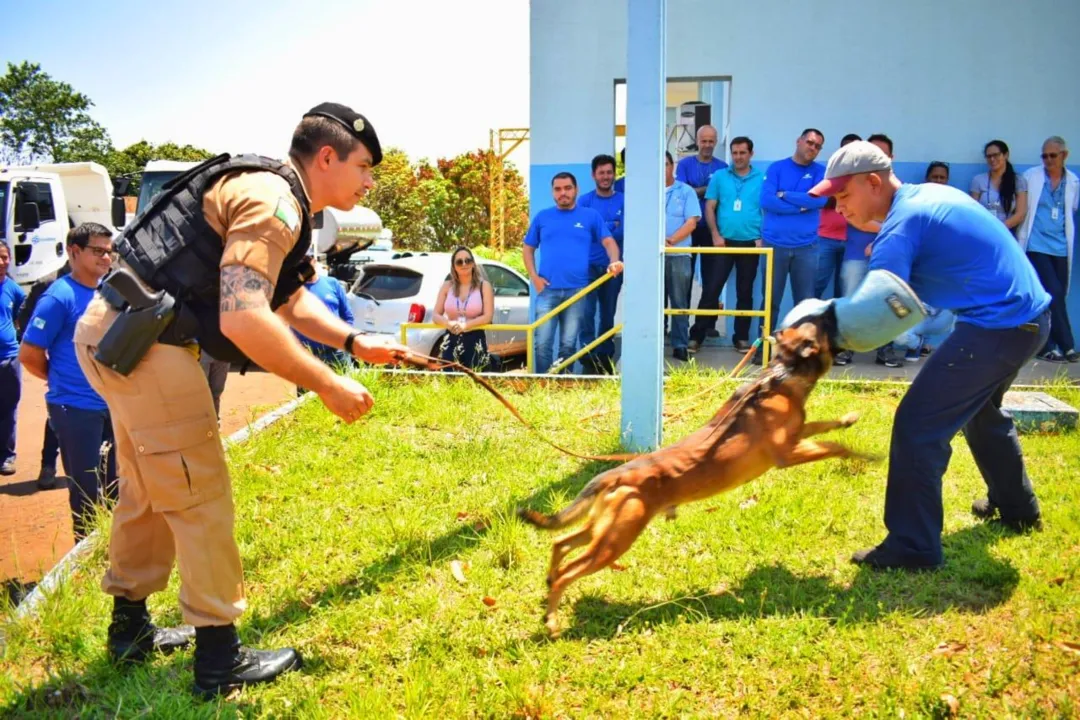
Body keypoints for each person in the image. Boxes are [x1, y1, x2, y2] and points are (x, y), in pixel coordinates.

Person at [70, 103, 411, 698]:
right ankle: (219, 659)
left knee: (149, 488)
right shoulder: (274, 202)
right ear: (326, 157)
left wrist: (355, 341)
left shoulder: (275, 196)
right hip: (149, 344)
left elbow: (290, 301)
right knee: (199, 492)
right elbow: (247, 317)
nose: (369, 181)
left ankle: (129, 631)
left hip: (115, 332)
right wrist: (328, 384)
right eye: (363, 167)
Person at [784, 141, 1051, 570]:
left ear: (873, 181)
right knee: (980, 412)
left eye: (844, 195)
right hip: (1029, 317)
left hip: (1001, 325)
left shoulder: (903, 223)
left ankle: (914, 546)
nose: (838, 208)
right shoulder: (922, 198)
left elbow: (874, 321)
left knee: (918, 425)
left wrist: (814, 325)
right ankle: (1018, 508)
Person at [20, 223, 119, 540]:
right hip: (75, 408)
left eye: (109, 250)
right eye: (98, 251)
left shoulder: (109, 290)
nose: (106, 257)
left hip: (112, 405)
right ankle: (85, 564)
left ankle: (115, 554)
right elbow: (30, 352)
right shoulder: (58, 297)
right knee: (86, 491)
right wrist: (60, 380)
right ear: (75, 252)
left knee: (116, 485)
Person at [523, 172, 622, 373]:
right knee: (542, 344)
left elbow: (609, 242)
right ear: (553, 192)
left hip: (577, 292)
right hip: (547, 291)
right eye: (558, 189)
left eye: (567, 188)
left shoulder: (590, 216)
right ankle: (542, 386)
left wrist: (614, 261)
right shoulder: (543, 217)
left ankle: (562, 386)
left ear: (576, 190)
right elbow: (528, 248)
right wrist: (534, 277)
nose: (563, 193)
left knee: (568, 346)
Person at [689, 136, 764, 353]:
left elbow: (765, 209)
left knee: (745, 291)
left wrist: (761, 236)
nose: (738, 157)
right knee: (711, 289)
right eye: (735, 153)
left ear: (751, 154)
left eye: (742, 153)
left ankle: (741, 337)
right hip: (723, 243)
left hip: (750, 243)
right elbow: (710, 207)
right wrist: (715, 235)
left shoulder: (761, 179)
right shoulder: (720, 176)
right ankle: (697, 336)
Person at [757, 129, 827, 354]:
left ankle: (799, 354)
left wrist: (785, 194)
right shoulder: (777, 168)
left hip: (806, 246)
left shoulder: (821, 172)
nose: (812, 148)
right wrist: (803, 203)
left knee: (804, 305)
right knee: (770, 301)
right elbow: (767, 201)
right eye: (809, 142)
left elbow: (820, 200)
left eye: (817, 146)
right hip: (774, 245)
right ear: (798, 141)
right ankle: (763, 351)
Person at [1017, 136, 1079, 363]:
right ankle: (1066, 345)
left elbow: (1070, 211)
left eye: (1053, 155)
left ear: (1064, 155)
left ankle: (1050, 347)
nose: (1048, 160)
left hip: (1061, 247)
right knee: (1051, 291)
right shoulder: (1031, 177)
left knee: (1057, 295)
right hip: (1035, 244)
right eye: (1044, 155)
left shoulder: (1072, 182)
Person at [577, 154, 625, 373]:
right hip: (586, 267)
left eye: (609, 172)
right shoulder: (585, 202)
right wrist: (610, 227)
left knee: (608, 313)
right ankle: (587, 355)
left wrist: (602, 228)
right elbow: (582, 232)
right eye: (601, 173)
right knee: (586, 313)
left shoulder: (624, 200)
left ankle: (605, 355)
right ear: (593, 175)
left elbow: (625, 230)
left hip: (613, 267)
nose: (606, 177)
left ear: (614, 174)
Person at [677, 125, 728, 308]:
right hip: (688, 228)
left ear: (715, 142)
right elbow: (683, 193)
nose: (707, 144)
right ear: (697, 141)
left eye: (711, 141)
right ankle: (682, 322)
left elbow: (723, 196)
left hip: (712, 228)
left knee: (712, 278)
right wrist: (710, 189)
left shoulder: (722, 167)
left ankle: (708, 324)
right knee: (684, 278)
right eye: (703, 140)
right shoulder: (685, 165)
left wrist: (695, 190)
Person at [663, 151, 702, 361]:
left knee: (679, 301)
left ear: (672, 166)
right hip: (653, 256)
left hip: (678, 254)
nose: (663, 169)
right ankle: (655, 340)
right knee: (655, 301)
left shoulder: (686, 191)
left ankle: (680, 344)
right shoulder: (648, 191)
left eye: (666, 164)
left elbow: (691, 222)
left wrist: (670, 241)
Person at [815, 133, 862, 300]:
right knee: (815, 287)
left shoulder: (865, 176)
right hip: (825, 238)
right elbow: (822, 201)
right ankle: (807, 325)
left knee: (844, 292)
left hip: (853, 239)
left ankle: (838, 326)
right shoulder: (829, 173)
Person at [432, 246, 495, 370]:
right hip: (451, 337)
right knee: (449, 380)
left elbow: (488, 316)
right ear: (454, 266)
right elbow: (436, 315)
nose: (464, 264)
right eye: (459, 262)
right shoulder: (447, 286)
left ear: (473, 263)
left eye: (468, 260)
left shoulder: (484, 286)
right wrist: (448, 324)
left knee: (476, 382)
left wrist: (465, 326)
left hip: (475, 338)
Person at [0, 243, 26, 476]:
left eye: (5, 257)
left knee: (9, 410)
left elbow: (23, 314)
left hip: (8, 359)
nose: (2, 262)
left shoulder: (14, 290)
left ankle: (7, 457)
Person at [970, 140, 1028, 234]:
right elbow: (973, 210)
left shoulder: (1018, 181)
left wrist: (1000, 229)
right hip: (983, 231)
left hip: (1006, 233)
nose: (992, 159)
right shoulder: (978, 180)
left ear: (1006, 155)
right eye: (989, 156)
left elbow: (1020, 213)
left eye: (996, 155)